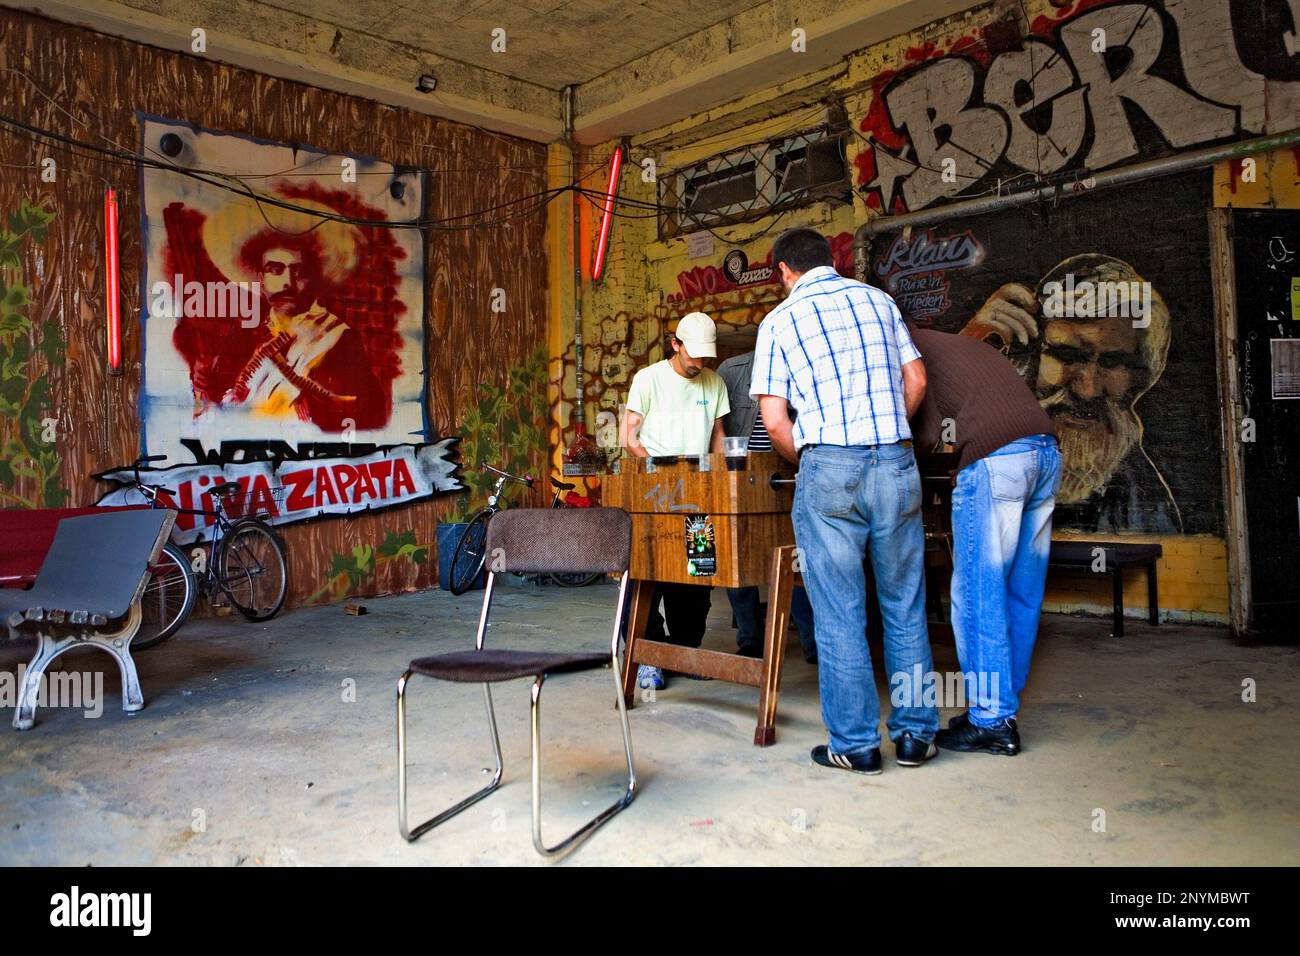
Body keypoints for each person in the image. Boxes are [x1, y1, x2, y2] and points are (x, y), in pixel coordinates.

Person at [750, 227, 937, 775]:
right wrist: (886, 433)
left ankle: (855, 744)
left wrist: (812, 456)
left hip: (830, 465)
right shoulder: (879, 301)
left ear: (785, 270)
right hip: (896, 464)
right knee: (904, 605)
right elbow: (918, 379)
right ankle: (914, 736)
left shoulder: (779, 321)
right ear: (831, 261)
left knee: (838, 612)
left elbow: (774, 419)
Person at [908, 327, 1061, 755]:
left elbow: (928, 431)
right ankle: (998, 708)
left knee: (978, 591)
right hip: (1045, 452)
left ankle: (990, 719)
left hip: (999, 462)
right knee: (1020, 590)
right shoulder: (952, 343)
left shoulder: (905, 348)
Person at [961, 254, 1178, 531]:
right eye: (1067, 356)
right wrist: (967, 353)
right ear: (1030, 360)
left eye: (1113, 363)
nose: (1088, 390)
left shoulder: (1146, 507)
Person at [620, 312, 729, 690]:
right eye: (692, 355)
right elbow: (630, 436)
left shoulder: (713, 383)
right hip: (654, 492)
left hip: (699, 496)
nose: (699, 364)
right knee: (647, 574)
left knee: (698, 577)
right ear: (676, 345)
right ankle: (649, 654)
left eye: (705, 357)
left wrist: (718, 478)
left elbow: (718, 435)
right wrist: (658, 472)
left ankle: (684, 652)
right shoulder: (648, 379)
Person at [716, 350, 817, 663]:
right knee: (739, 558)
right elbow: (717, 423)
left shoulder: (802, 364)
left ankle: (812, 641)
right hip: (742, 474)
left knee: (796, 556)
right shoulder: (732, 370)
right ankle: (750, 639)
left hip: (787, 471)